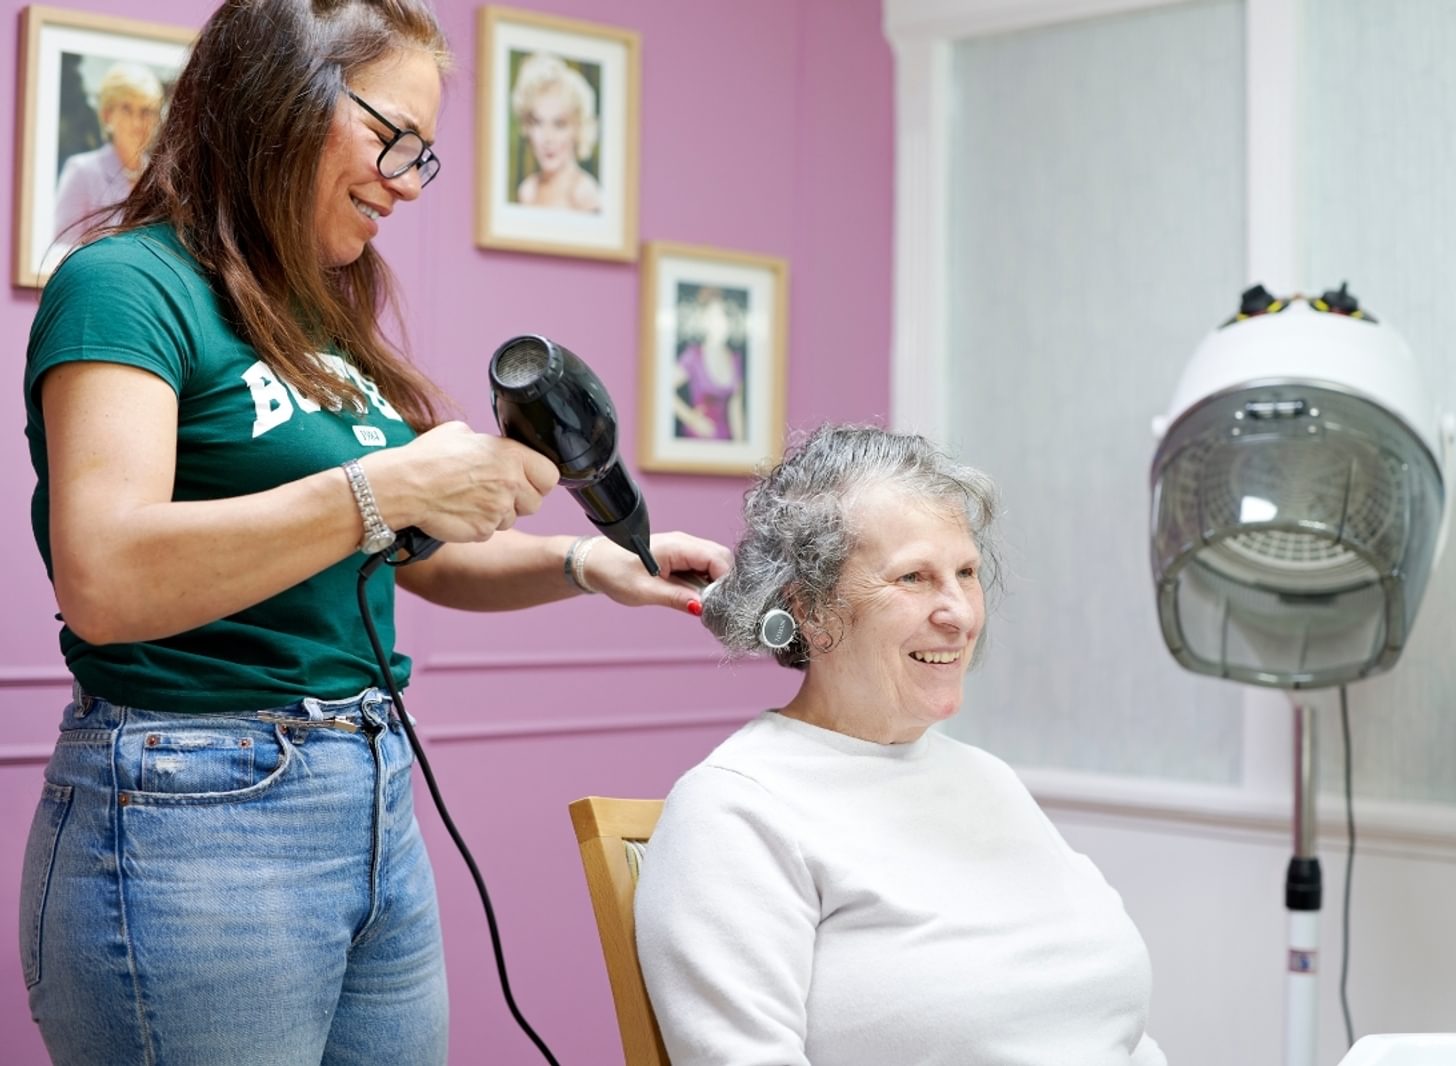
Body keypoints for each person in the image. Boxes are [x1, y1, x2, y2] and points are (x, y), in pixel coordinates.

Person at [17, 2, 727, 1064]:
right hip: (192, 807)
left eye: (423, 156)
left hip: (369, 789)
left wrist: (588, 563)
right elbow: (107, 577)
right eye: (391, 137)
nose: (404, 180)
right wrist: (383, 485)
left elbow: (417, 553)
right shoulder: (123, 286)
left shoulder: (320, 318)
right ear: (278, 103)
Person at [634, 424, 1166, 1065]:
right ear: (811, 609)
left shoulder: (985, 778)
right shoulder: (736, 812)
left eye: (965, 572)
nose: (960, 614)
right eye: (913, 577)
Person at [46, 61, 164, 268]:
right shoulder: (83, 171)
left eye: (146, 111)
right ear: (107, 115)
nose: (137, 122)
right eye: (127, 109)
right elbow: (59, 251)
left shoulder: (161, 181)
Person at [512, 51, 601, 212]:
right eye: (538, 123)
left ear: (578, 128)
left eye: (559, 124)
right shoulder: (527, 191)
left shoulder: (586, 194)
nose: (547, 138)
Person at [671, 286, 746, 442]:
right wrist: (691, 418)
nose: (721, 323)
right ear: (704, 321)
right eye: (714, 317)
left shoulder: (734, 360)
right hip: (697, 440)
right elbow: (662, 390)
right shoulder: (693, 357)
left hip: (724, 442)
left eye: (724, 316)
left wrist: (741, 448)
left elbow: (735, 410)